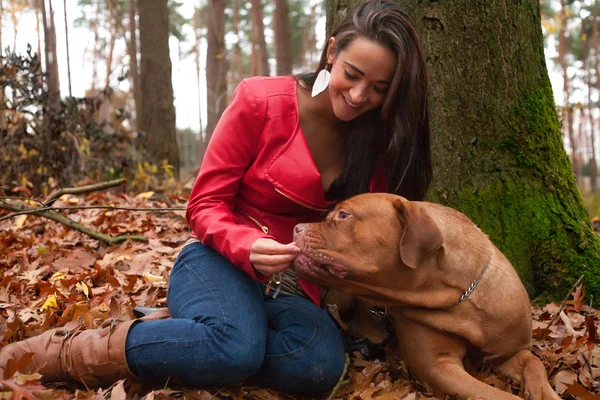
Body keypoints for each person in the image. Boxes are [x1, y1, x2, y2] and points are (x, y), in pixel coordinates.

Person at [0, 0, 431, 396]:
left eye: (378, 88)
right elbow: (204, 204)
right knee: (236, 349)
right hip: (217, 261)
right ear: (332, 51)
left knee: (316, 367)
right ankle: (60, 351)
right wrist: (247, 246)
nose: (359, 96)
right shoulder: (259, 100)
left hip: (297, 289)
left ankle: (199, 335)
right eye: (352, 75)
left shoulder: (378, 143)